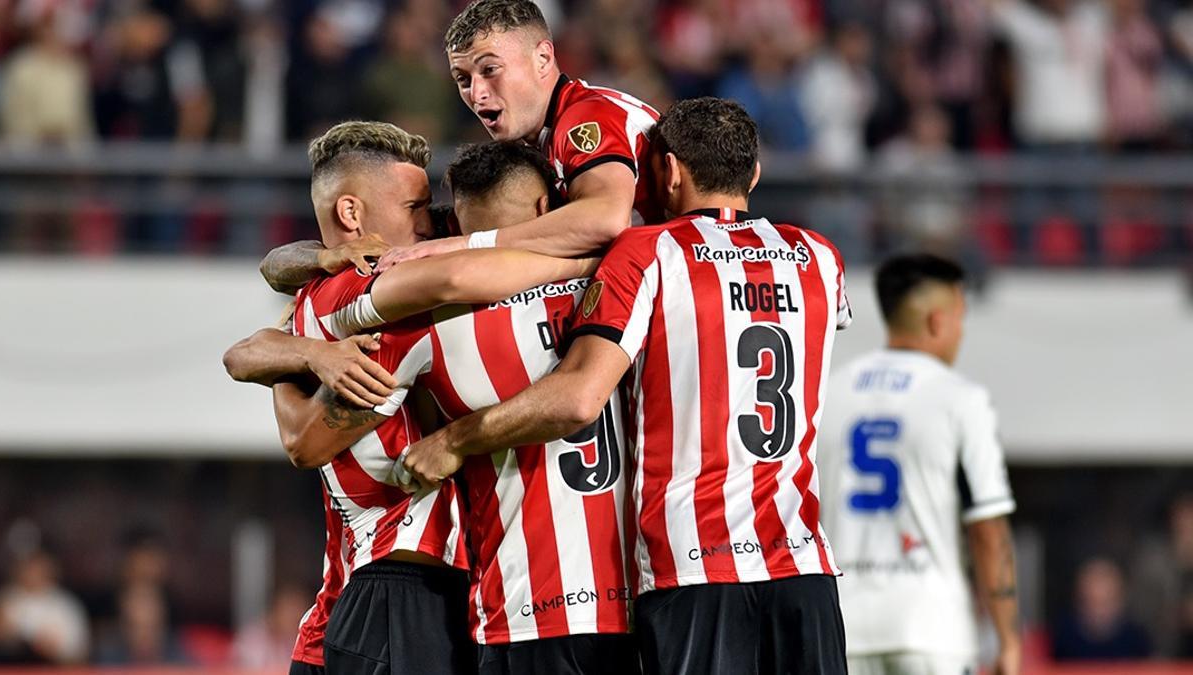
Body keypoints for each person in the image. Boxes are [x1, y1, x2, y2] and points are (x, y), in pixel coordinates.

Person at [399, 97, 851, 675]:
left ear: (668, 172)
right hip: (803, 566)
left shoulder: (648, 253)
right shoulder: (819, 257)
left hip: (695, 565)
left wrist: (455, 440)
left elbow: (579, 396)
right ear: (754, 174)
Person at [222, 121, 595, 675]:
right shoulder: (386, 302)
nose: (432, 223)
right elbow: (304, 439)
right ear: (353, 214)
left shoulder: (328, 286)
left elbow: (268, 292)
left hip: (363, 602)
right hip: (399, 598)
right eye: (415, 206)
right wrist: (595, 262)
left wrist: (298, 348)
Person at [816, 253, 1020, 675]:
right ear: (936, 322)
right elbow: (987, 527)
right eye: (960, 319)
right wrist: (1007, 638)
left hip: (843, 627)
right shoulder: (961, 398)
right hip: (932, 631)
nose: (961, 333)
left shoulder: (827, 394)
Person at [384, 0, 663, 264]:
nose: (477, 93)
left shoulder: (588, 116)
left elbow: (605, 221)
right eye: (463, 79)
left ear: (542, 58)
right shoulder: (539, 135)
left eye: (490, 69)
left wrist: (467, 244)